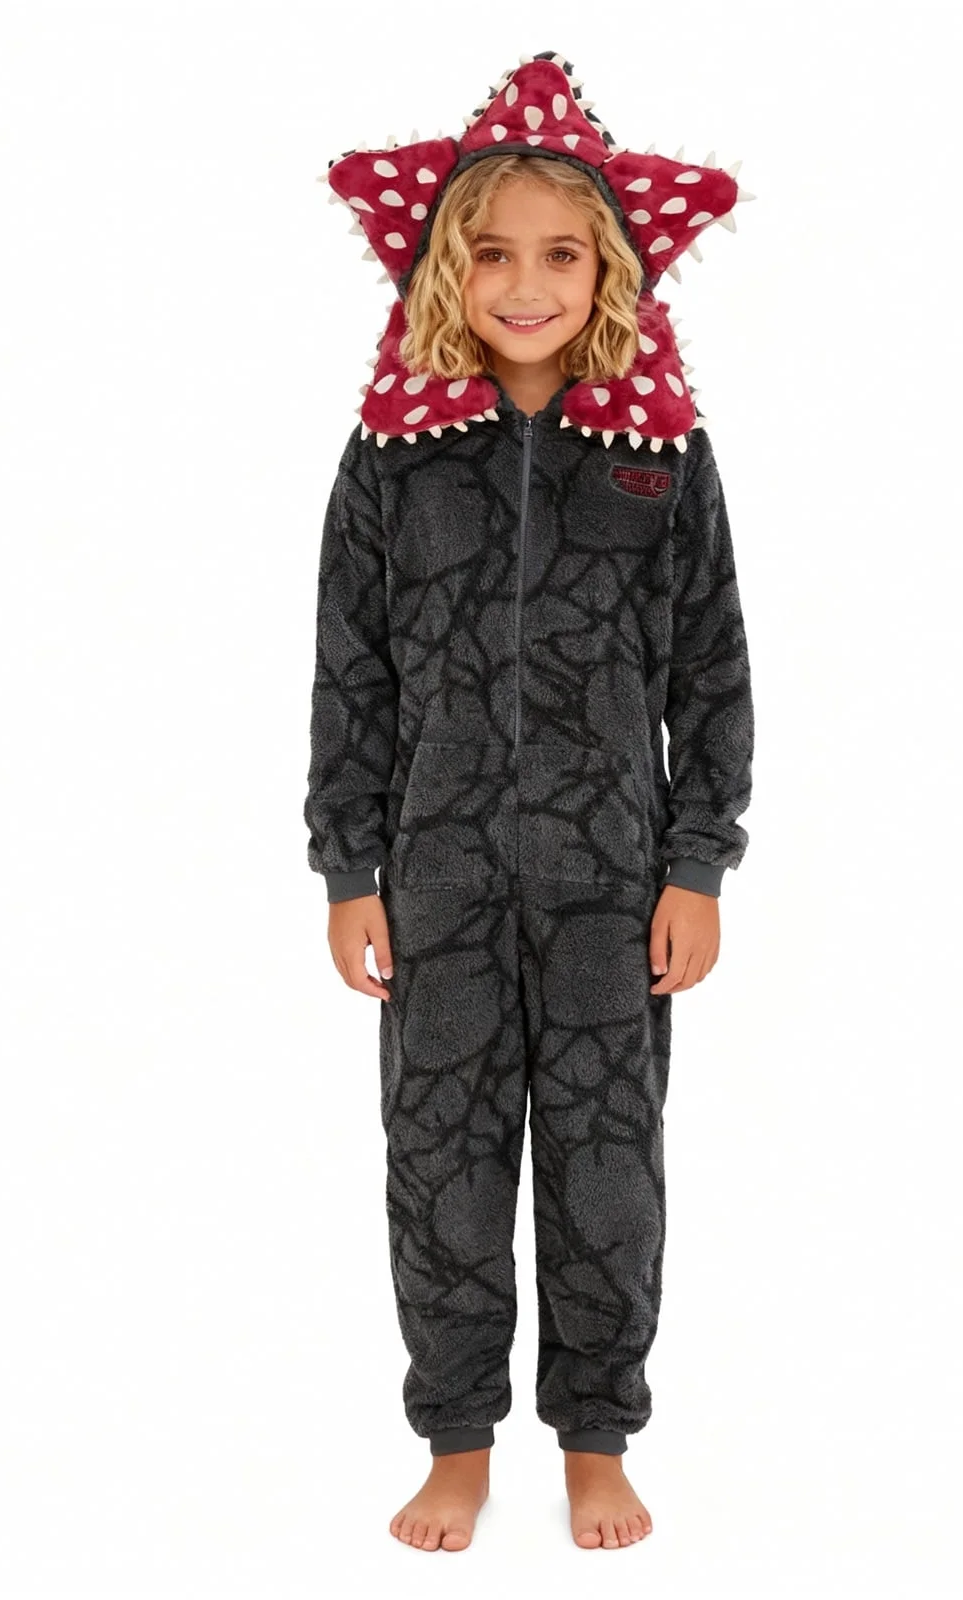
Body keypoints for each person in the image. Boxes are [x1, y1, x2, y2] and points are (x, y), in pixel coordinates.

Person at [303, 52, 756, 1553]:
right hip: (433, 876)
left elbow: (714, 670)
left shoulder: (661, 455)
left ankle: (597, 1440)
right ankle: (456, 1440)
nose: (524, 285)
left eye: (562, 255)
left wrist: (697, 864)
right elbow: (351, 673)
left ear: (610, 266)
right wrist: (347, 869)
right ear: (445, 262)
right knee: (440, 1158)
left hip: (610, 881)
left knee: (607, 1165)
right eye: (492, 253)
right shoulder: (392, 457)